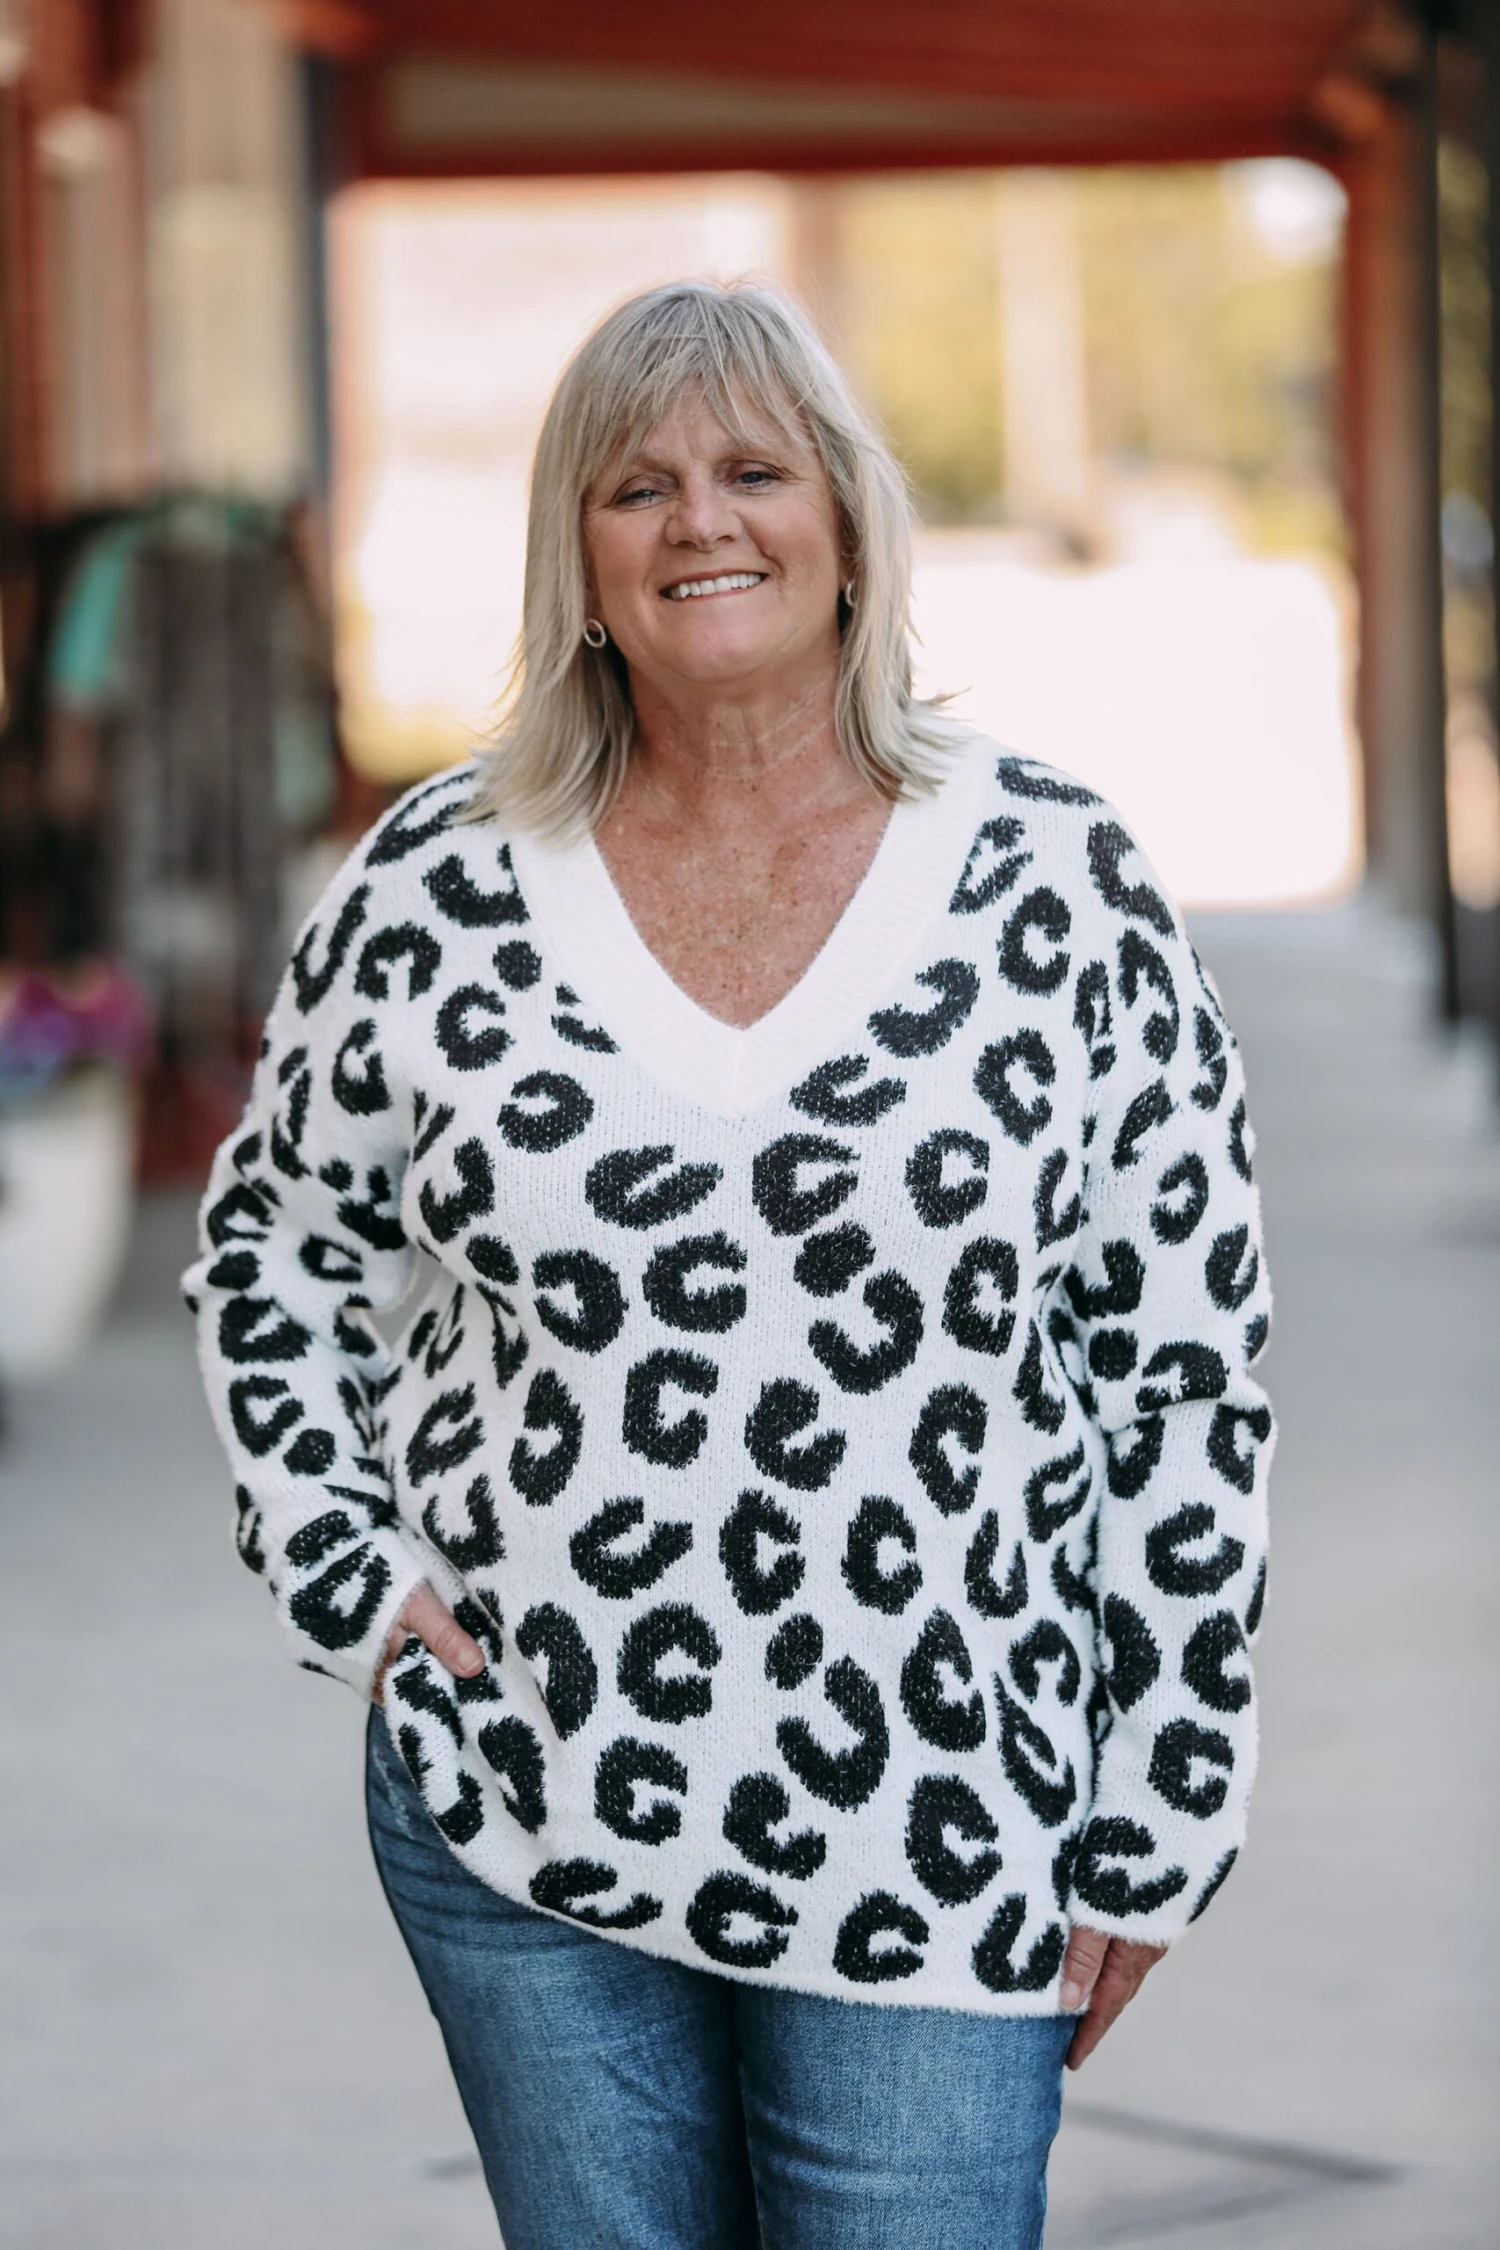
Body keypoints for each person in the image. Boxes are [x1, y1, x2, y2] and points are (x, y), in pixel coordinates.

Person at [184, 280, 1273, 2250]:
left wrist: (1171, 1782)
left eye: (754, 469)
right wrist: (340, 1560)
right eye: (639, 486)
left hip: (947, 1813)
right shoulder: (436, 883)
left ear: (848, 519)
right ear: (580, 561)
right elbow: (277, 1242)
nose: (702, 519)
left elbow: (1183, 1373)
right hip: (527, 1795)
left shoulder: (1057, 878)